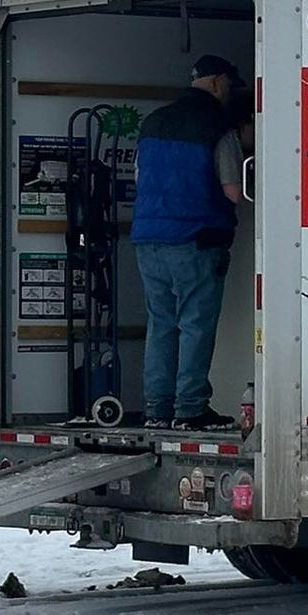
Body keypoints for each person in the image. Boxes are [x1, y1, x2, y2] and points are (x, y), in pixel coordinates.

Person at [131, 54, 246, 429]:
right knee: (195, 324)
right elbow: (232, 190)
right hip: (197, 239)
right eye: (229, 84)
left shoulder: (153, 122)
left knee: (161, 323)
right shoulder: (218, 125)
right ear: (215, 82)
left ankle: (157, 409)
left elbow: (138, 178)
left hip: (148, 240)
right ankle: (190, 408)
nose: (229, 92)